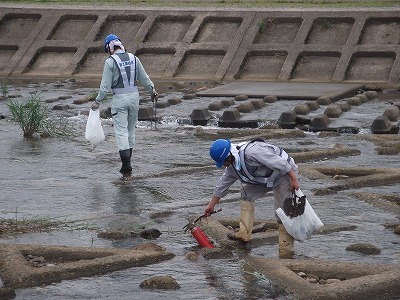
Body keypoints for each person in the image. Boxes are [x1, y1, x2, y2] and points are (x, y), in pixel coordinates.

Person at [205, 138, 300, 259]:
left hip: (285, 175)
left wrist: (294, 179)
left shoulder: (252, 153)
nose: (223, 165)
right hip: (268, 179)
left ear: (229, 156)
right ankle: (244, 234)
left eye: (223, 162)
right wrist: (211, 205)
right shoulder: (233, 166)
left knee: (283, 213)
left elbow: (282, 164)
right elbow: (222, 185)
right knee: (246, 194)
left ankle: (286, 252)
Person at [91, 34, 157, 178]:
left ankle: (126, 166)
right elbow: (145, 78)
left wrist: (97, 101)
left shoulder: (110, 62)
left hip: (119, 100)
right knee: (131, 130)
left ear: (109, 48)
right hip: (134, 98)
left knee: (121, 132)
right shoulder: (134, 58)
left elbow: (105, 86)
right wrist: (152, 91)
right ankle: (129, 164)